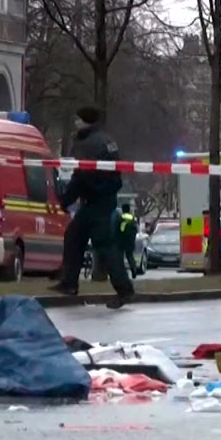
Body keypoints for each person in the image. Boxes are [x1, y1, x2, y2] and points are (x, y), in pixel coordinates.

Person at [51, 106, 134, 308]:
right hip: (103, 199)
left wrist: (64, 200)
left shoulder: (86, 144)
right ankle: (69, 283)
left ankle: (124, 290)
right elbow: (115, 173)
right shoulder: (107, 141)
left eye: (78, 120)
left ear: (85, 121)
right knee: (74, 236)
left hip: (95, 201)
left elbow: (81, 176)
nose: (75, 123)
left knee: (104, 245)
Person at [115, 203, 140, 277]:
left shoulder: (121, 217)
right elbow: (136, 229)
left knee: (120, 257)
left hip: (122, 240)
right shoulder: (133, 218)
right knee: (130, 256)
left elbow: (118, 229)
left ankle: (122, 272)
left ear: (123, 209)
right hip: (131, 240)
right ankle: (134, 270)